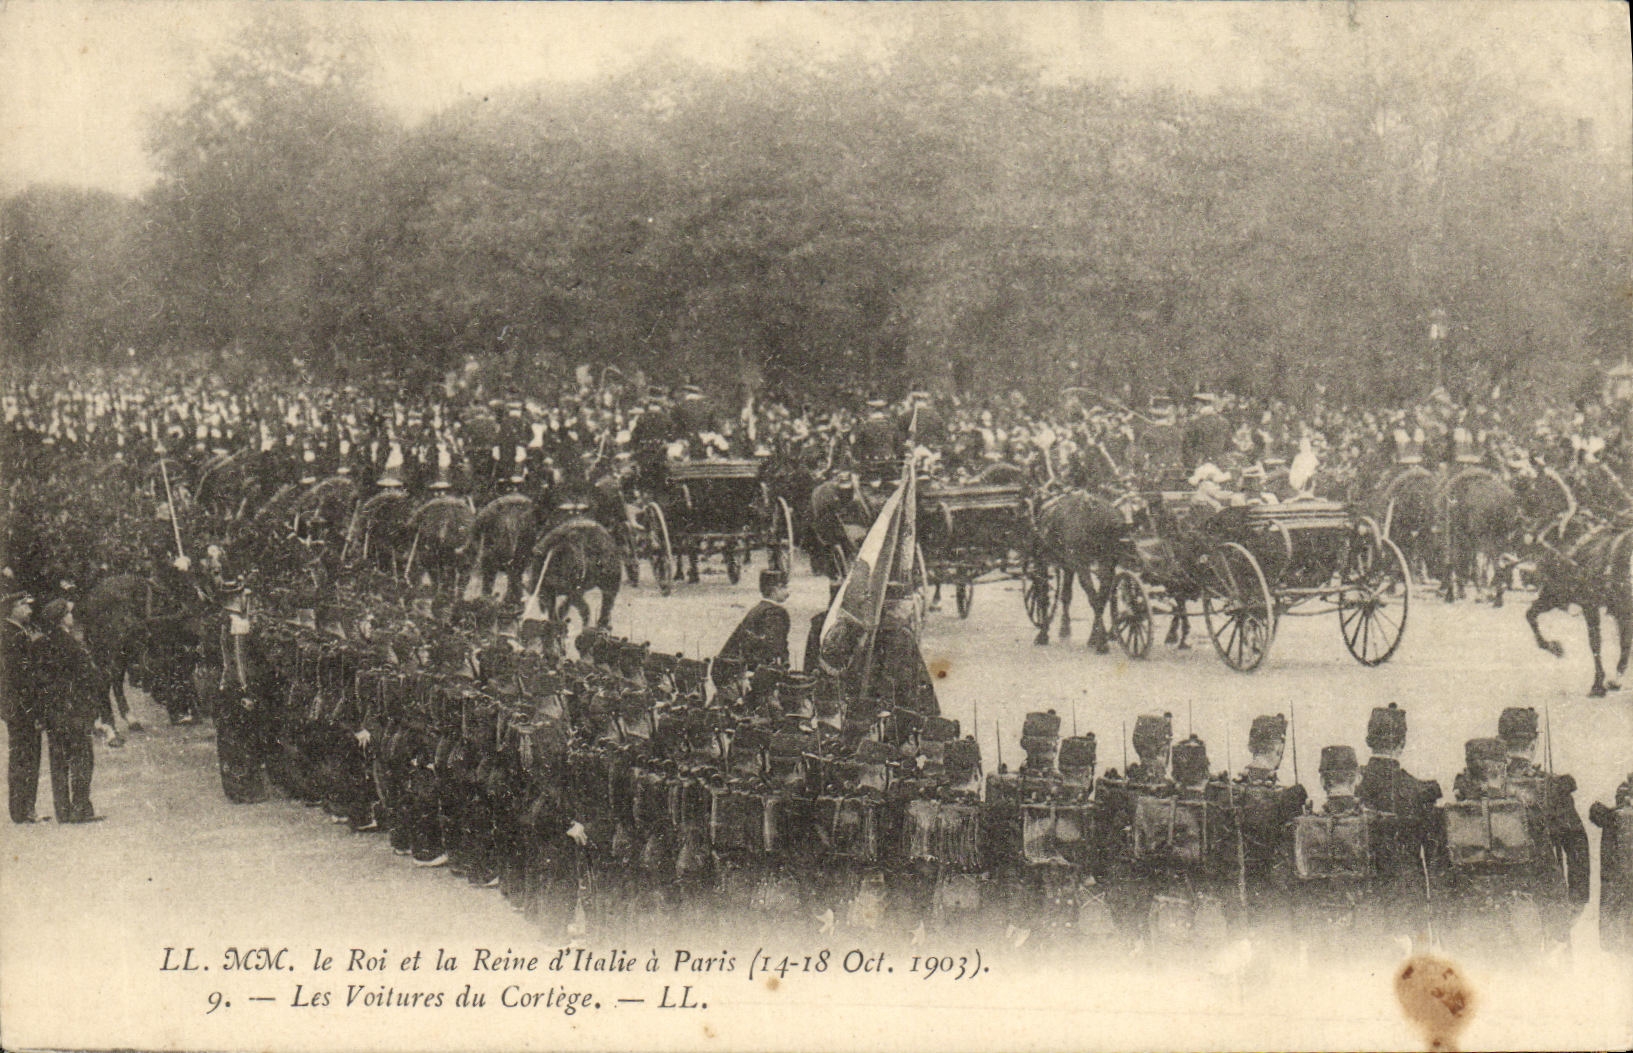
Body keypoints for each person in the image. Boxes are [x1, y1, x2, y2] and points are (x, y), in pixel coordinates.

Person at [35, 598, 102, 823]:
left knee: (58, 762)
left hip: (53, 712)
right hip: (74, 710)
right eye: (69, 613)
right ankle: (80, 807)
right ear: (62, 618)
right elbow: (86, 678)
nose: (72, 617)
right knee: (82, 758)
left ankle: (62, 810)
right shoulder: (72, 645)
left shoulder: (40, 644)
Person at [3, 591, 46, 823]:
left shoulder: (13, 632)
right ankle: (24, 810)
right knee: (27, 758)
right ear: (12, 609)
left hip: (16, 707)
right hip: (23, 707)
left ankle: (22, 809)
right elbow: (22, 678)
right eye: (24, 605)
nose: (29, 610)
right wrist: (35, 710)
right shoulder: (14, 636)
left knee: (21, 757)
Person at [712, 570, 792, 693]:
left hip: (725, 668)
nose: (788, 592)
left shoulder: (759, 609)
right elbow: (772, 646)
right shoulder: (775, 612)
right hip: (738, 672)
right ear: (775, 589)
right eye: (785, 587)